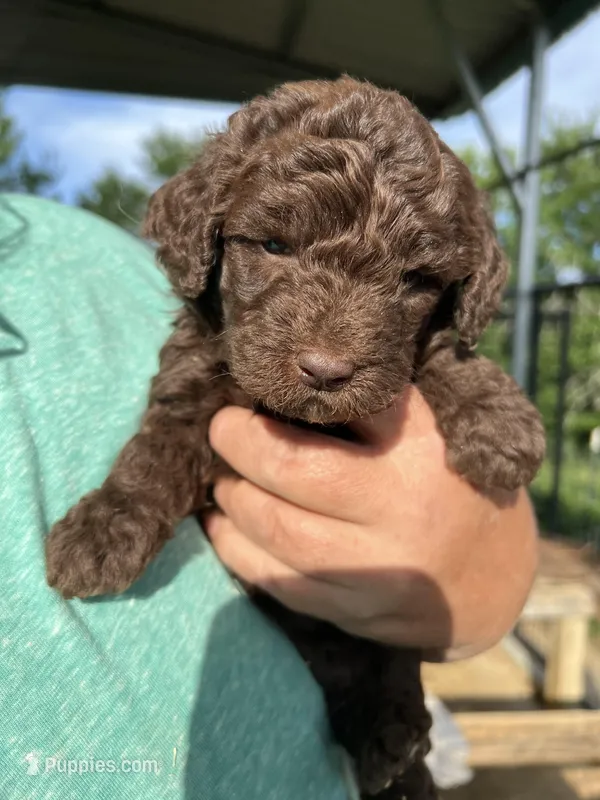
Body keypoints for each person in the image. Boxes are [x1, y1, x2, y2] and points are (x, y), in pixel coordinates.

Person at [0, 193, 538, 800]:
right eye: (276, 246)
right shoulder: (201, 326)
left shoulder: (84, 251)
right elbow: (177, 421)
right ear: (203, 237)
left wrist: (477, 417)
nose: (328, 352)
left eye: (413, 279)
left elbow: (447, 359)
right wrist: (130, 507)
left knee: (393, 745)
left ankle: (389, 720)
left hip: (366, 652)